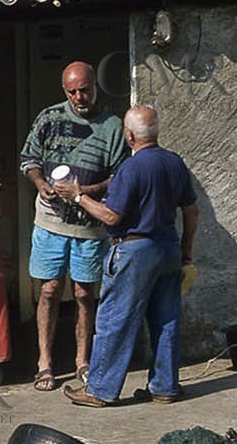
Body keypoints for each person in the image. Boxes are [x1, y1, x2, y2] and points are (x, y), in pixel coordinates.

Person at [55, 105, 198, 407]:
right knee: (166, 319)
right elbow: (191, 209)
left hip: (134, 251)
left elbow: (111, 216)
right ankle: (164, 387)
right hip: (168, 248)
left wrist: (78, 197)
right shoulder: (174, 163)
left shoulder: (130, 169)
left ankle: (100, 390)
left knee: (115, 320)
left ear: (130, 135)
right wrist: (186, 250)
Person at [19, 61, 127, 391]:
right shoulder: (49, 117)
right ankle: (45, 363)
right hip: (50, 220)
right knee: (49, 290)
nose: (79, 97)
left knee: (83, 293)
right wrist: (39, 183)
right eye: (72, 92)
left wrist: (85, 193)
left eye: (85, 90)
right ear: (64, 91)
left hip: (89, 224)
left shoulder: (112, 126)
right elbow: (29, 159)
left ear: (96, 86)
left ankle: (83, 361)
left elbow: (120, 176)